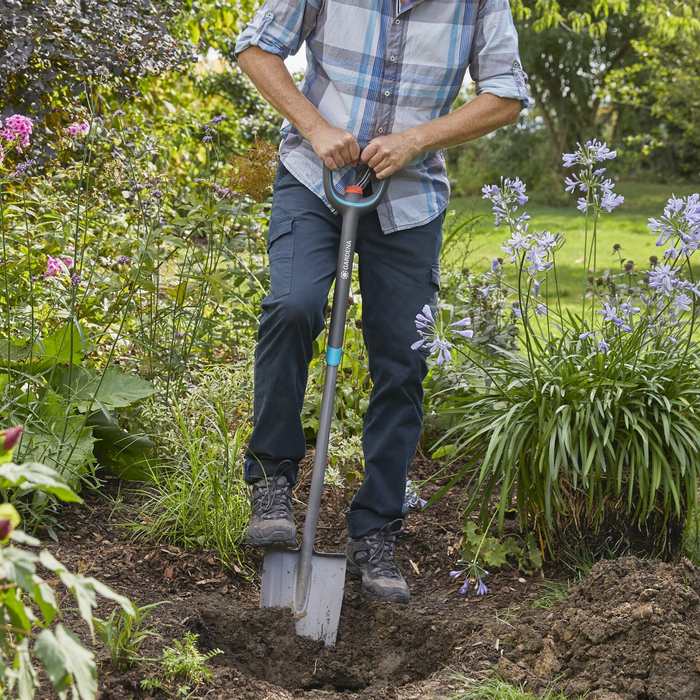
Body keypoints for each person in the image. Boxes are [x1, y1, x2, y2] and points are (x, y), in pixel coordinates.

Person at [234, 0, 529, 605]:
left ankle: (375, 530)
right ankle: (270, 481)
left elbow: (505, 93)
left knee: (402, 358)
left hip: (410, 198)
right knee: (294, 306)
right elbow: (254, 48)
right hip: (315, 178)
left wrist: (418, 139)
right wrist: (317, 128)